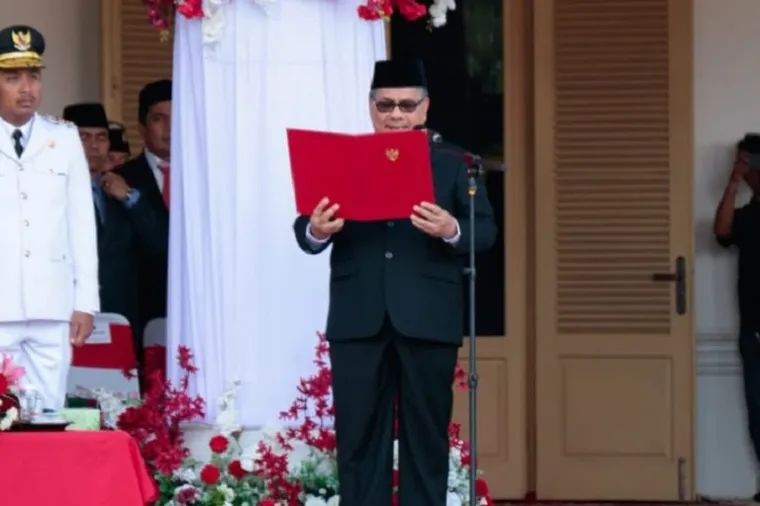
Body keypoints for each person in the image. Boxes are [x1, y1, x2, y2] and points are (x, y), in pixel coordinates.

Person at [292, 60, 497, 506]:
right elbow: (305, 228)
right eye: (386, 105)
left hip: (427, 315)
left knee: (426, 437)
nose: (396, 115)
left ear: (425, 108)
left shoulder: (456, 163)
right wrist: (317, 230)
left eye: (406, 105)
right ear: (371, 107)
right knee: (359, 438)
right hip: (358, 317)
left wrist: (450, 229)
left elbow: (484, 232)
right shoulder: (343, 157)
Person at [0, 25, 98, 409]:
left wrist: (85, 302)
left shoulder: (65, 138)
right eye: (12, 77)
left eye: (34, 76)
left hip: (51, 303)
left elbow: (81, 225)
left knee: (48, 414)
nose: (27, 88)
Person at [63, 102, 168, 378]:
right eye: (84, 137)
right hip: (69, 319)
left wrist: (130, 198)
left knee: (120, 397)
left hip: (120, 319)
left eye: (101, 137)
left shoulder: (122, 190)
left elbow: (158, 242)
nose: (93, 146)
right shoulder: (50, 192)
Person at [714, 133, 760, 501]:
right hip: (753, 331)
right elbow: (722, 231)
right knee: (758, 411)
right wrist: (731, 185)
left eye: (745, 162)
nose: (740, 169)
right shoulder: (747, 215)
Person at [117, 79, 171, 326]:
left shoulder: (205, 179)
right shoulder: (122, 179)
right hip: (139, 315)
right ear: (141, 127)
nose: (170, 129)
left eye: (176, 118)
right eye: (159, 119)